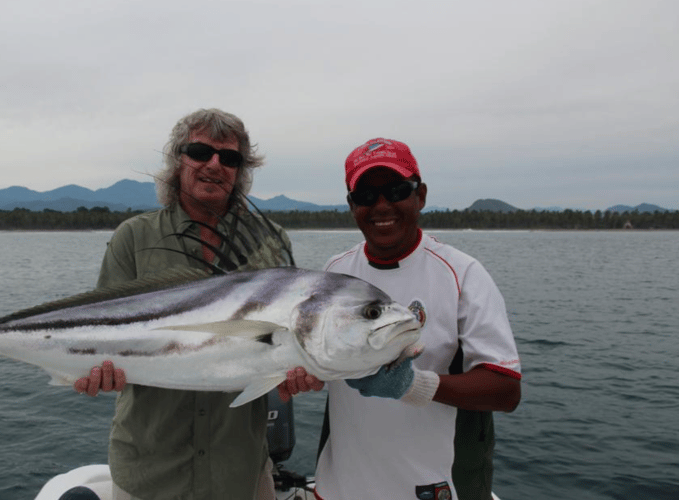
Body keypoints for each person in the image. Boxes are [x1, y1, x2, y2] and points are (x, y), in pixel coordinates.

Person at [72, 108, 310, 500]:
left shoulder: (271, 241)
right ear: (177, 160)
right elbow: (100, 331)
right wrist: (93, 370)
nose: (215, 165)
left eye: (230, 158)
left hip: (241, 471)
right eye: (200, 151)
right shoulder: (134, 237)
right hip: (150, 469)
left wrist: (298, 374)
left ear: (240, 171)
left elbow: (279, 344)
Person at [285, 138, 522, 500]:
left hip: (433, 489)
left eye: (396, 190)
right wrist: (301, 375)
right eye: (365, 195)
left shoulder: (462, 274)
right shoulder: (335, 272)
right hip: (338, 488)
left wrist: (415, 385)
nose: (381, 206)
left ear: (420, 195)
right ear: (352, 206)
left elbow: (506, 391)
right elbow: (318, 359)